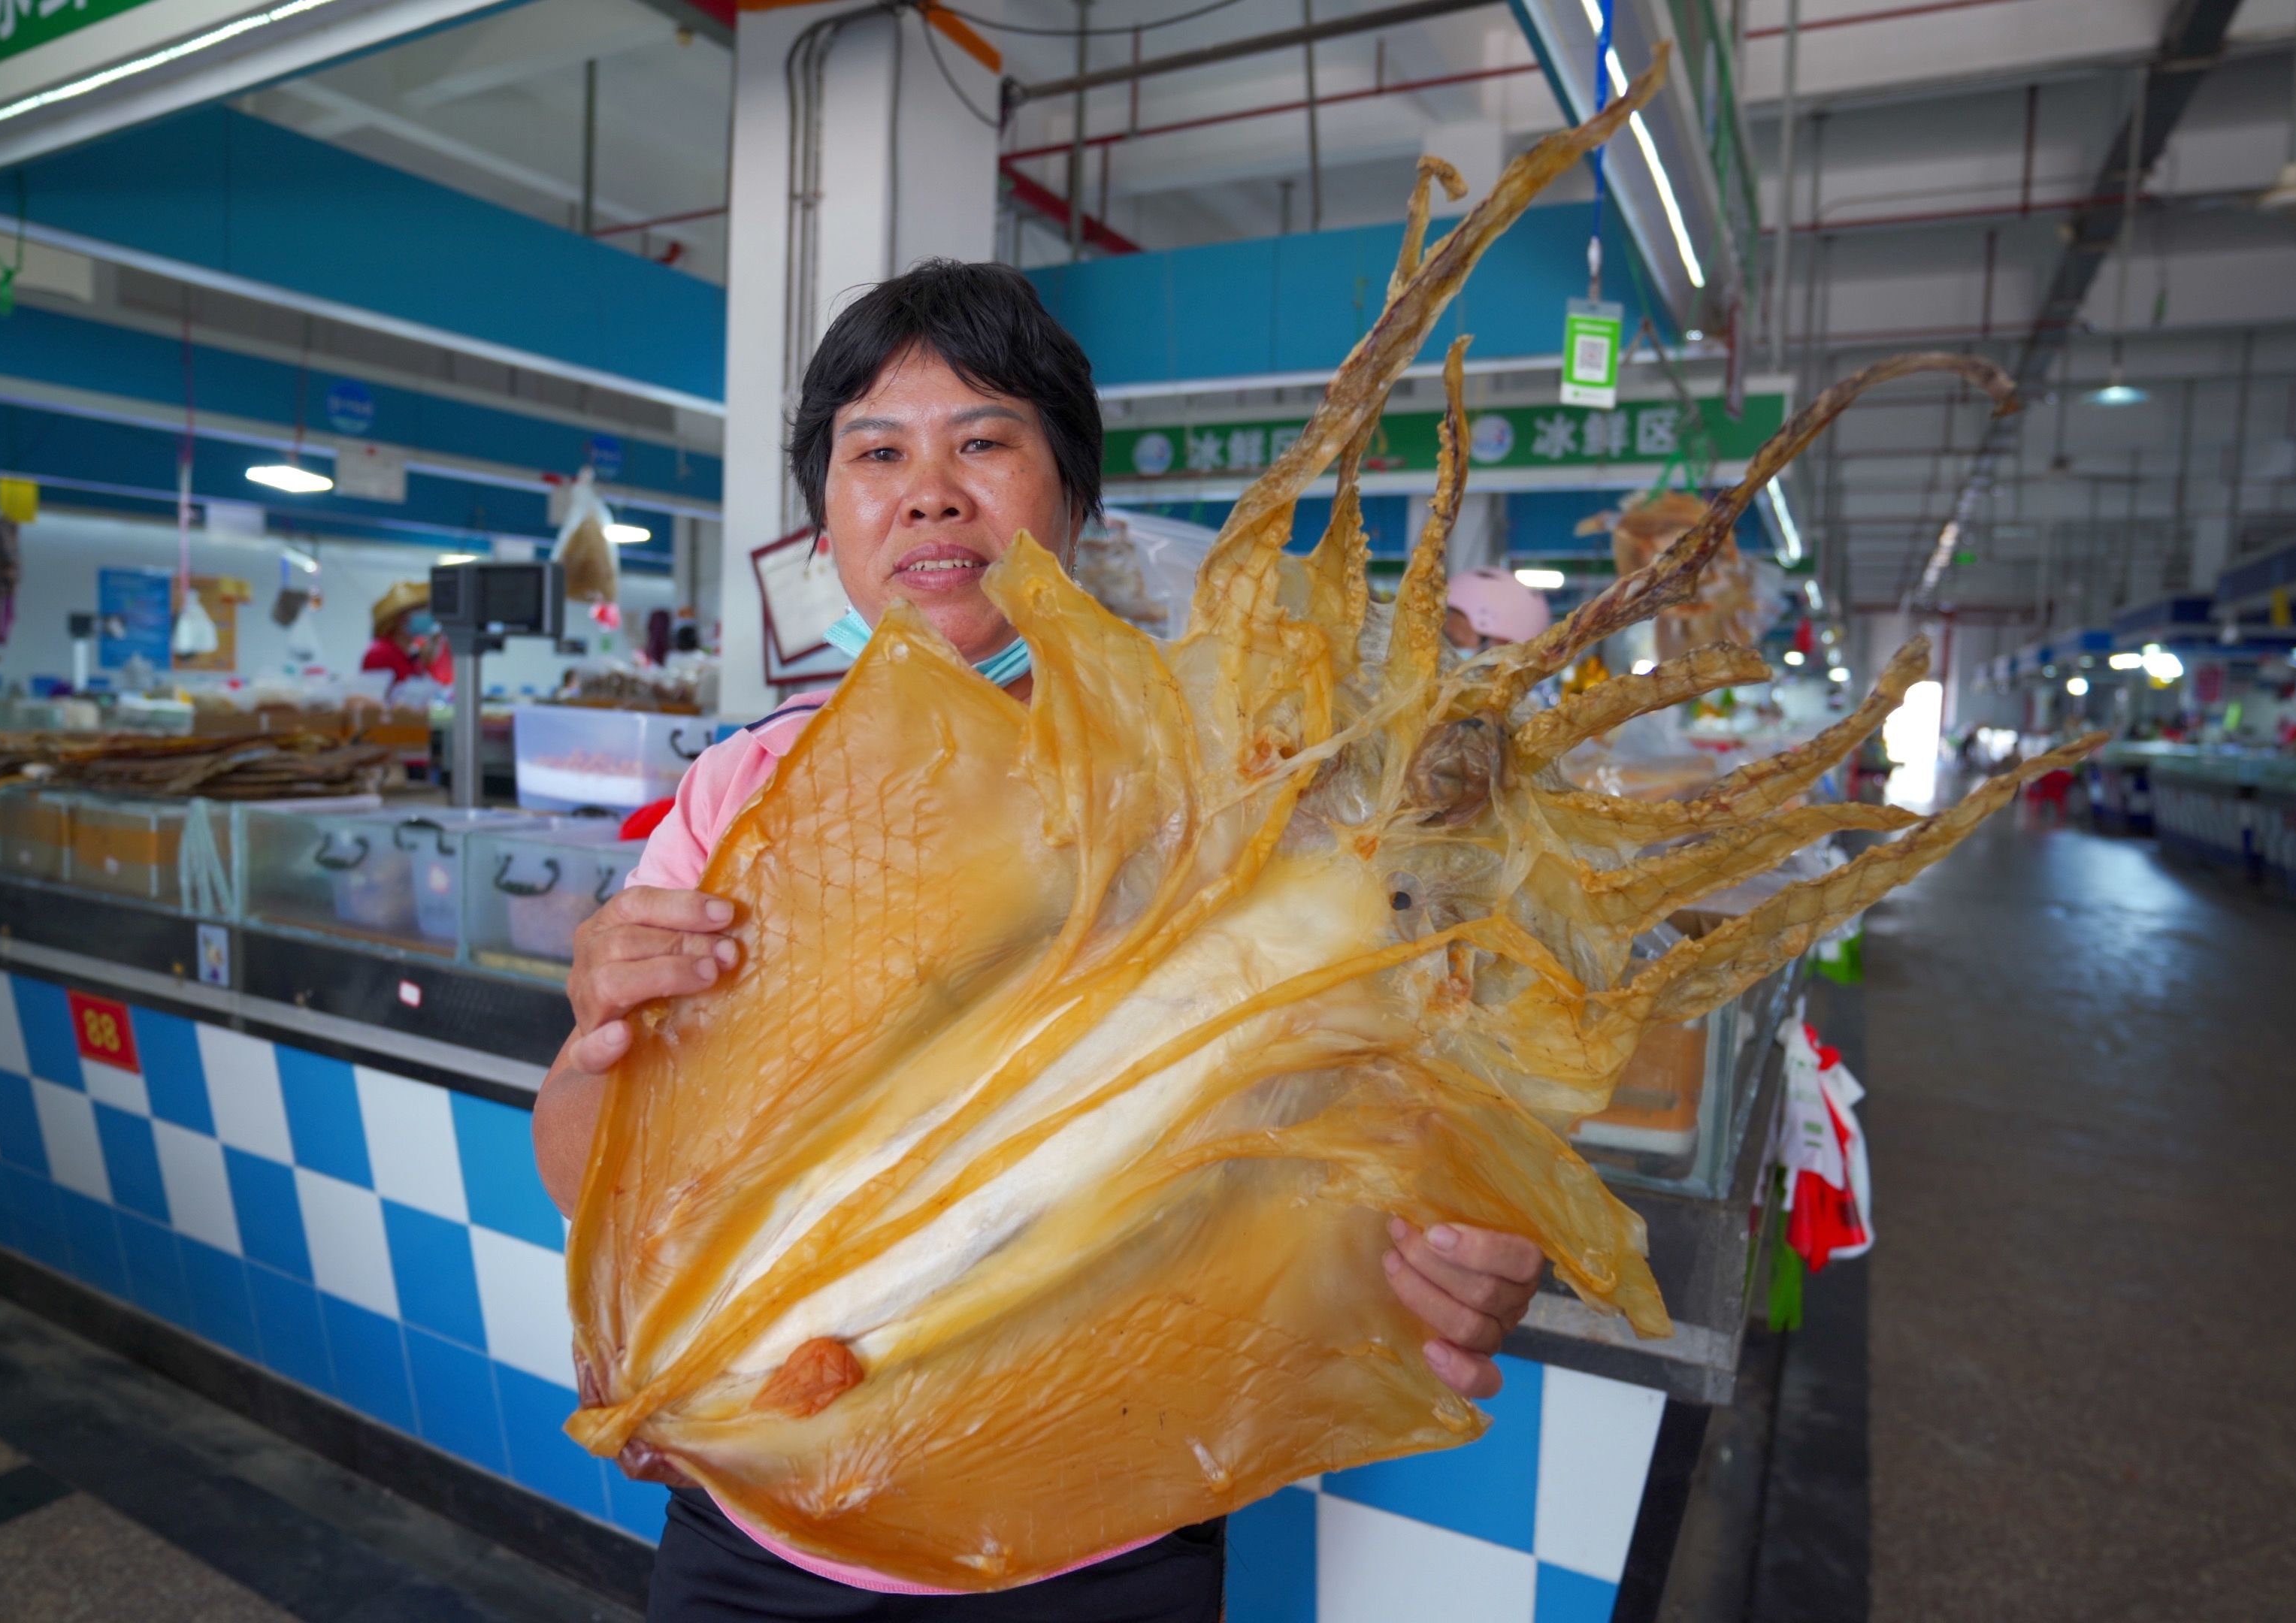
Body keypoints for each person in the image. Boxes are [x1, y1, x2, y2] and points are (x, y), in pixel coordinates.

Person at [529, 261, 1547, 1622]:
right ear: (825, 522)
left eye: (986, 442)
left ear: (1073, 497)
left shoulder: (1236, 798)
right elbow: (590, 1167)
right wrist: (600, 1037)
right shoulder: (741, 798)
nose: (929, 489)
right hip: (760, 1537)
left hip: (1095, 1527)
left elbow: (1397, 1112)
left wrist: (1472, 1254)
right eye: (875, 452)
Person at [360, 580, 454, 688]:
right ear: (401, 618)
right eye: (422, 611)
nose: (429, 618)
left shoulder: (411, 653)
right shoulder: (380, 653)